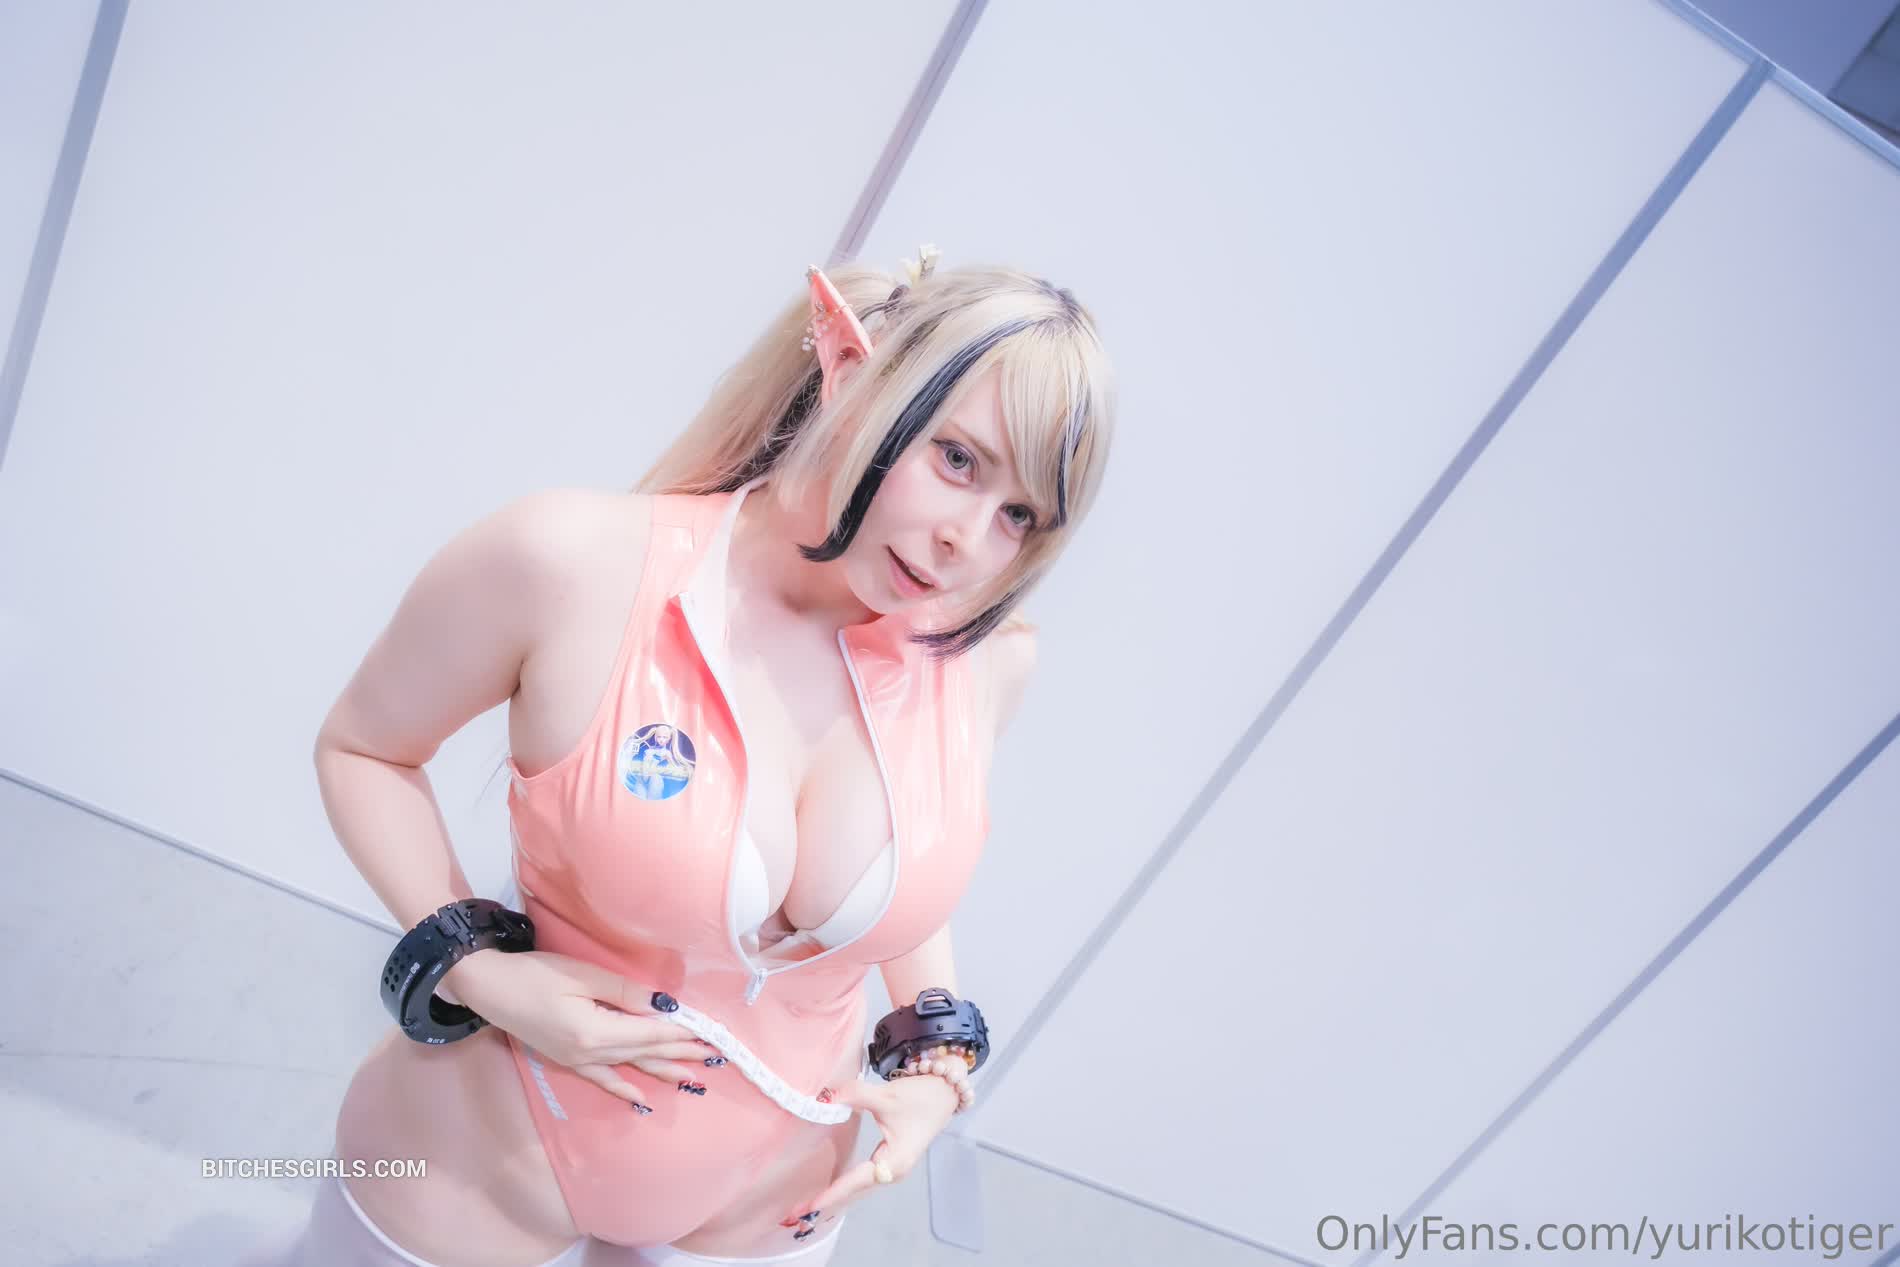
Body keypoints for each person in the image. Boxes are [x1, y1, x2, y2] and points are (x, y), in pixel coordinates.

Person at [245, 246, 1116, 1266]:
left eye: (1020, 514)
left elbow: (902, 873)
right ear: (849, 369)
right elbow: (364, 749)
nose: (970, 538)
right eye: (957, 459)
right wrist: (477, 972)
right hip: (488, 1155)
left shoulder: (983, 663)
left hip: (776, 1199)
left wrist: (934, 1054)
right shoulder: (570, 562)